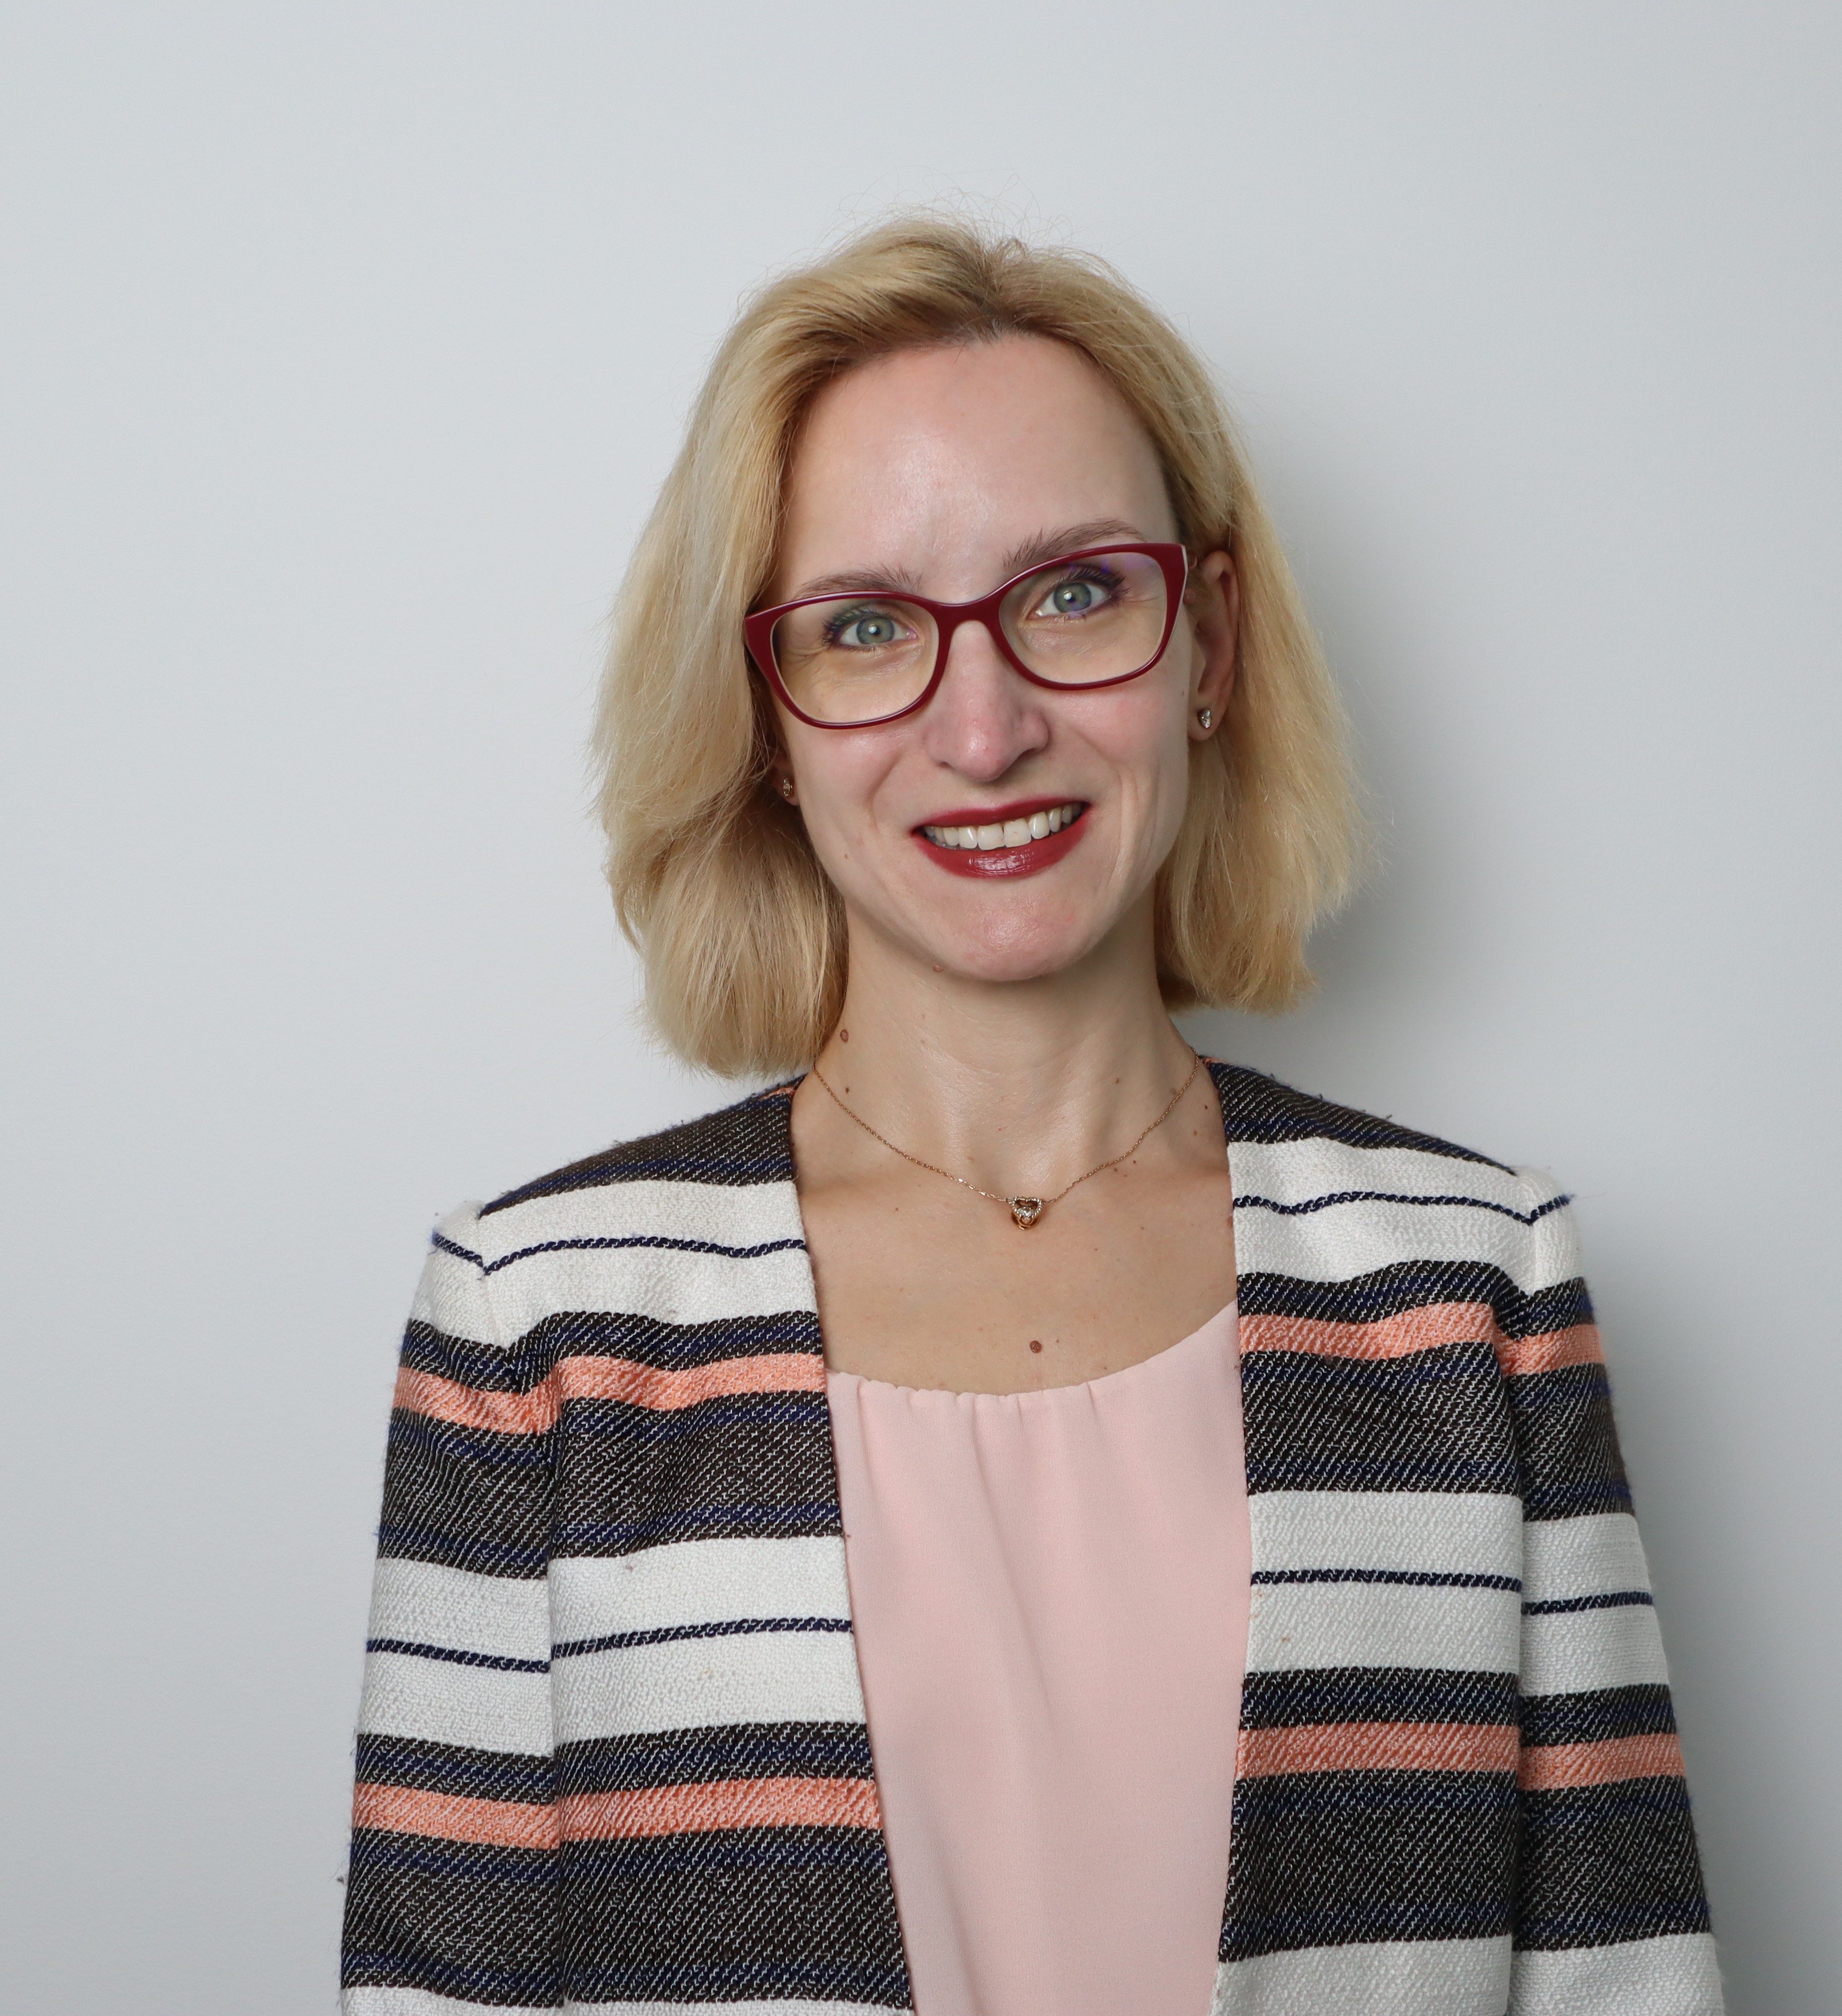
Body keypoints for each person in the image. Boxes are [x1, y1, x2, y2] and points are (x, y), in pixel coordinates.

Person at [341, 217, 1721, 2016]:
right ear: (766, 718)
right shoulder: (541, 1325)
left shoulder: (1474, 1287)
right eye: (864, 628)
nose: (983, 730)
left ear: (1207, 640)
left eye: (1074, 594)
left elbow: (1630, 1981)